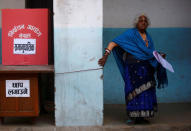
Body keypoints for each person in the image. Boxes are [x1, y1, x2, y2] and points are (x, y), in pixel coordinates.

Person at [98, 14, 168, 124]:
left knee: (146, 92)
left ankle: (143, 116)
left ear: (147, 24)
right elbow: (113, 42)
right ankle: (134, 117)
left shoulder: (148, 37)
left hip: (146, 69)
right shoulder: (130, 34)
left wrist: (159, 55)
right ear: (136, 23)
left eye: (145, 21)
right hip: (132, 68)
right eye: (141, 20)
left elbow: (149, 53)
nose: (143, 22)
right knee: (133, 92)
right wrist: (105, 56)